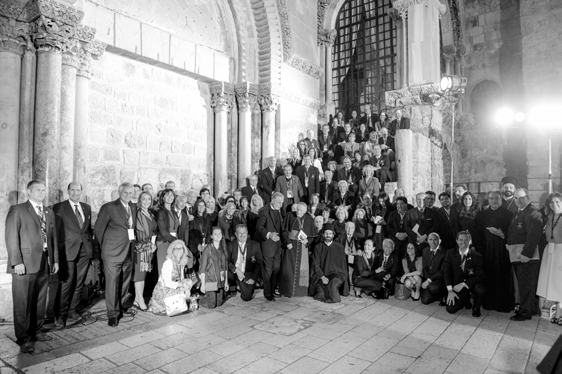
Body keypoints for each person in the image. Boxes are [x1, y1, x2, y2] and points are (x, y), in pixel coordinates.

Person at [5, 179, 59, 353]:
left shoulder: (48, 212)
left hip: (44, 260)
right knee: (23, 302)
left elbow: (53, 239)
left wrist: (55, 259)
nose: (42, 193)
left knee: (40, 299)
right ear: (28, 191)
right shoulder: (18, 210)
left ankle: (37, 330)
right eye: (37, 189)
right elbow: (11, 237)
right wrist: (16, 262)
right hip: (24, 264)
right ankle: (24, 337)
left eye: (43, 189)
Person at [94, 182, 137, 327]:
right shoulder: (109, 207)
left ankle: (121, 307)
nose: (128, 195)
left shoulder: (133, 207)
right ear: (119, 192)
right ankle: (112, 314)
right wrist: (105, 249)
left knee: (125, 282)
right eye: (125, 193)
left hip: (128, 251)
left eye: (131, 193)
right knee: (112, 283)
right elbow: (99, 231)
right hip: (112, 252)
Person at [51, 182, 94, 327]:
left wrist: (91, 250)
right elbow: (56, 231)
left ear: (81, 191)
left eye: (78, 190)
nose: (75, 192)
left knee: (79, 283)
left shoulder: (86, 208)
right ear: (68, 191)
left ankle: (72, 310)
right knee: (67, 283)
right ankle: (60, 315)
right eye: (73, 190)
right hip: (67, 250)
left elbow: (87, 231)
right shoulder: (60, 207)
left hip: (84, 251)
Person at [506, 188, 543, 321]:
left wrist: (527, 254)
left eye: (521, 197)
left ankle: (524, 313)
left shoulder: (532, 213)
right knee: (526, 283)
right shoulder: (519, 212)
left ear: (527, 197)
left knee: (526, 284)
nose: (518, 200)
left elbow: (534, 235)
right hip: (518, 254)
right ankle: (531, 309)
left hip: (527, 257)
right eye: (515, 198)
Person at [475, 190, 513, 313]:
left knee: (502, 276)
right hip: (487, 252)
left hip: (503, 251)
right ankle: (488, 303)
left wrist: (503, 235)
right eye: (491, 198)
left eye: (496, 198)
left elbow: (513, 234)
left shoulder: (509, 214)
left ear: (501, 199)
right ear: (488, 200)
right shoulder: (482, 215)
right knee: (488, 276)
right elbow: (477, 235)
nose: (494, 201)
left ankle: (502, 304)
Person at [443, 231, 485, 317]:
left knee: (480, 289)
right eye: (461, 240)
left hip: (471, 283)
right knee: (451, 309)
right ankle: (465, 299)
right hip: (457, 285)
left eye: (466, 240)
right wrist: (450, 291)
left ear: (470, 241)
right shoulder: (450, 253)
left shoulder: (477, 256)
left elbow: (481, 276)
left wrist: (464, 284)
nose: (463, 242)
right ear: (457, 241)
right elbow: (447, 272)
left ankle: (476, 307)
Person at [279, 203, 317, 297]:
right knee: (288, 268)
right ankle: (287, 291)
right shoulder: (289, 215)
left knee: (302, 269)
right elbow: (284, 230)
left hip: (302, 247)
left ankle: (301, 292)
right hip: (291, 246)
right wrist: (287, 242)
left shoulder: (308, 218)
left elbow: (312, 235)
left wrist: (307, 241)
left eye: (301, 210)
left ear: (305, 211)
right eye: (297, 210)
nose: (298, 212)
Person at [148, 240, 195, 314]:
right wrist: (182, 286)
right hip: (164, 290)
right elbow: (168, 283)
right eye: (176, 248)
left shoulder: (181, 262)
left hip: (174, 286)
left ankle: (180, 303)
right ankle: (165, 306)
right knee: (184, 287)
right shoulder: (168, 263)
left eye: (181, 248)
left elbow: (181, 279)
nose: (179, 251)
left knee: (188, 282)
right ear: (172, 250)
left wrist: (187, 288)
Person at [537, 192, 562, 325]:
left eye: (558, 201)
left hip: (561, 252)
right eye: (552, 202)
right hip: (550, 252)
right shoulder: (549, 217)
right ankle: (557, 313)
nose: (555, 204)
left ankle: (560, 313)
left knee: (560, 285)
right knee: (553, 285)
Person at [256, 192, 285, 301]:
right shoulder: (263, 211)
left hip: (277, 246)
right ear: (272, 200)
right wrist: (269, 234)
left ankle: (272, 290)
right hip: (268, 245)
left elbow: (281, 228)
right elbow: (259, 227)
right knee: (268, 270)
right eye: (279, 202)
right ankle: (268, 294)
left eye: (282, 203)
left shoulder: (279, 210)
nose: (281, 205)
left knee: (276, 268)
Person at [309, 224, 349, 303]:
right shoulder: (318, 247)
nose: (328, 235)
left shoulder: (339, 248)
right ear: (323, 234)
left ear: (333, 235)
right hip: (322, 276)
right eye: (326, 233)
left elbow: (342, 267)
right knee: (320, 294)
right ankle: (329, 294)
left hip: (336, 275)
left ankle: (334, 298)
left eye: (330, 233)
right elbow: (315, 264)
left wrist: (338, 276)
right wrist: (322, 277)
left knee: (333, 283)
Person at [132, 191, 157, 311]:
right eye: (144, 199)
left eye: (149, 199)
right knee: (139, 275)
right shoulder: (137, 214)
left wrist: (153, 245)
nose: (146, 201)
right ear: (139, 201)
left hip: (149, 248)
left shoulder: (150, 214)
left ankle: (137, 300)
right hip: (140, 248)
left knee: (144, 274)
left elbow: (153, 232)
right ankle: (141, 300)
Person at [226, 225, 262, 301]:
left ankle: (242, 285)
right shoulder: (230, 245)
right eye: (239, 233)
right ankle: (228, 288)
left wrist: (253, 278)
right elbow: (226, 261)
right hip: (233, 272)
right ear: (235, 234)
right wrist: (236, 270)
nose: (242, 235)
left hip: (247, 272)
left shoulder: (255, 245)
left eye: (244, 233)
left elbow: (259, 263)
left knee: (246, 297)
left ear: (247, 233)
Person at [199, 227, 229, 308]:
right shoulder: (207, 249)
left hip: (221, 280)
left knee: (219, 303)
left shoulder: (223, 249)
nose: (218, 235)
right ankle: (200, 300)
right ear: (211, 236)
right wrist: (203, 285)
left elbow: (225, 267)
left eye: (219, 234)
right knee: (212, 305)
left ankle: (211, 297)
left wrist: (226, 282)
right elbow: (203, 268)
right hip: (210, 280)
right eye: (215, 234)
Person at [405, 192, 439, 256]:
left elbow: (435, 226)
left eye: (424, 199)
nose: (421, 201)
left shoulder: (433, 212)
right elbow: (406, 227)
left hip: (428, 242)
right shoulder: (410, 212)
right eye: (419, 199)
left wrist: (425, 236)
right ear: (416, 200)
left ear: (426, 200)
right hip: (413, 242)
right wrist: (416, 237)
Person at [155, 189, 179, 277]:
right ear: (163, 198)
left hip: (174, 243)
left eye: (172, 195)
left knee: (173, 272)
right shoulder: (160, 212)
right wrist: (176, 241)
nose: (170, 197)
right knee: (163, 271)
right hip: (164, 243)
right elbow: (163, 231)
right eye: (167, 195)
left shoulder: (174, 212)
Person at [420, 233, 447, 305]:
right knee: (425, 301)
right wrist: (427, 279)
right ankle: (435, 296)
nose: (433, 242)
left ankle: (443, 295)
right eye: (430, 239)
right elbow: (425, 267)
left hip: (439, 280)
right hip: (429, 278)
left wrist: (429, 280)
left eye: (435, 240)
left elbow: (442, 272)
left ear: (439, 241)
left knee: (433, 287)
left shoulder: (445, 253)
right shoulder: (425, 250)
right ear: (427, 241)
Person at [188, 199, 211, 264]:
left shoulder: (207, 217)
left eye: (203, 205)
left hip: (205, 244)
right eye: (199, 206)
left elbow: (208, 231)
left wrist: (206, 243)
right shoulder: (192, 217)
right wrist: (198, 244)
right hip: (195, 245)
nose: (202, 207)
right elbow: (191, 232)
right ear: (196, 207)